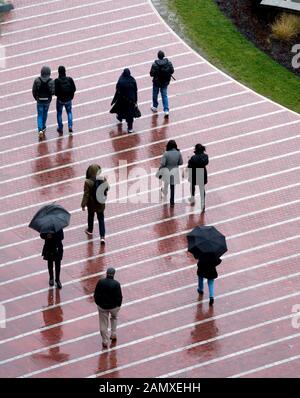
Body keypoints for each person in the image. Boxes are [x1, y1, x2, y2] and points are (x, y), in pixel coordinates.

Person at [94, 268, 123, 349]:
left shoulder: (101, 282)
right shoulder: (116, 284)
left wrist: (98, 303)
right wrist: (118, 306)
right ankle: (113, 333)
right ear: (114, 274)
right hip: (114, 307)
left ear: (106, 273)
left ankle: (105, 341)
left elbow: (96, 294)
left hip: (102, 307)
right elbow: (119, 297)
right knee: (114, 318)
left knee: (103, 324)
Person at [81, 164, 109, 244]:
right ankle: (102, 237)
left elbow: (86, 194)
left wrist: (83, 205)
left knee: (91, 216)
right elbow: (107, 187)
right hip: (100, 202)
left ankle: (90, 230)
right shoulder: (102, 179)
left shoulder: (87, 182)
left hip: (91, 204)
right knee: (101, 219)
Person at [110, 68, 138, 133]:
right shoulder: (132, 80)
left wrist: (114, 100)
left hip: (122, 100)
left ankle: (119, 118)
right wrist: (136, 100)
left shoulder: (121, 81)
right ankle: (130, 128)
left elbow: (118, 91)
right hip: (131, 100)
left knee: (121, 111)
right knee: (130, 115)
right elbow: (135, 90)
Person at [157, 140, 183, 207]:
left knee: (166, 184)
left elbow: (163, 164)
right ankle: (172, 202)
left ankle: (164, 193)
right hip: (175, 172)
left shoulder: (166, 153)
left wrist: (160, 170)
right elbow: (181, 163)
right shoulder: (178, 153)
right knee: (172, 187)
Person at [32, 66, 55, 140]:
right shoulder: (51, 81)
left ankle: (40, 130)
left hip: (39, 101)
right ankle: (44, 126)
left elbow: (34, 91)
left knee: (39, 115)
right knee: (45, 114)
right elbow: (53, 92)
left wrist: (36, 98)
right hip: (47, 101)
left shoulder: (37, 80)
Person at [150, 50, 174, 117]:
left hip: (156, 82)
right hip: (165, 82)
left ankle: (154, 106)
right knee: (164, 95)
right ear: (164, 55)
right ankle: (166, 110)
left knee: (155, 94)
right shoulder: (168, 63)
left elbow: (151, 74)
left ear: (158, 56)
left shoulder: (154, 64)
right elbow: (172, 71)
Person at [55, 65, 76, 136]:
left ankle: (60, 127)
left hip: (60, 100)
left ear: (58, 72)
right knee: (69, 112)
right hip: (68, 99)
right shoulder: (69, 79)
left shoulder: (57, 81)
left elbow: (55, 92)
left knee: (59, 113)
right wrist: (71, 96)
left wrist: (58, 96)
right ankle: (70, 126)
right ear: (65, 72)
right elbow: (74, 89)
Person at [187, 143, 209, 212]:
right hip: (202, 173)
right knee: (202, 188)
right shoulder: (205, 156)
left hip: (195, 173)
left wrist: (189, 160)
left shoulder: (193, 157)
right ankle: (203, 203)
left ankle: (192, 198)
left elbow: (189, 166)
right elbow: (206, 163)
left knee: (192, 186)